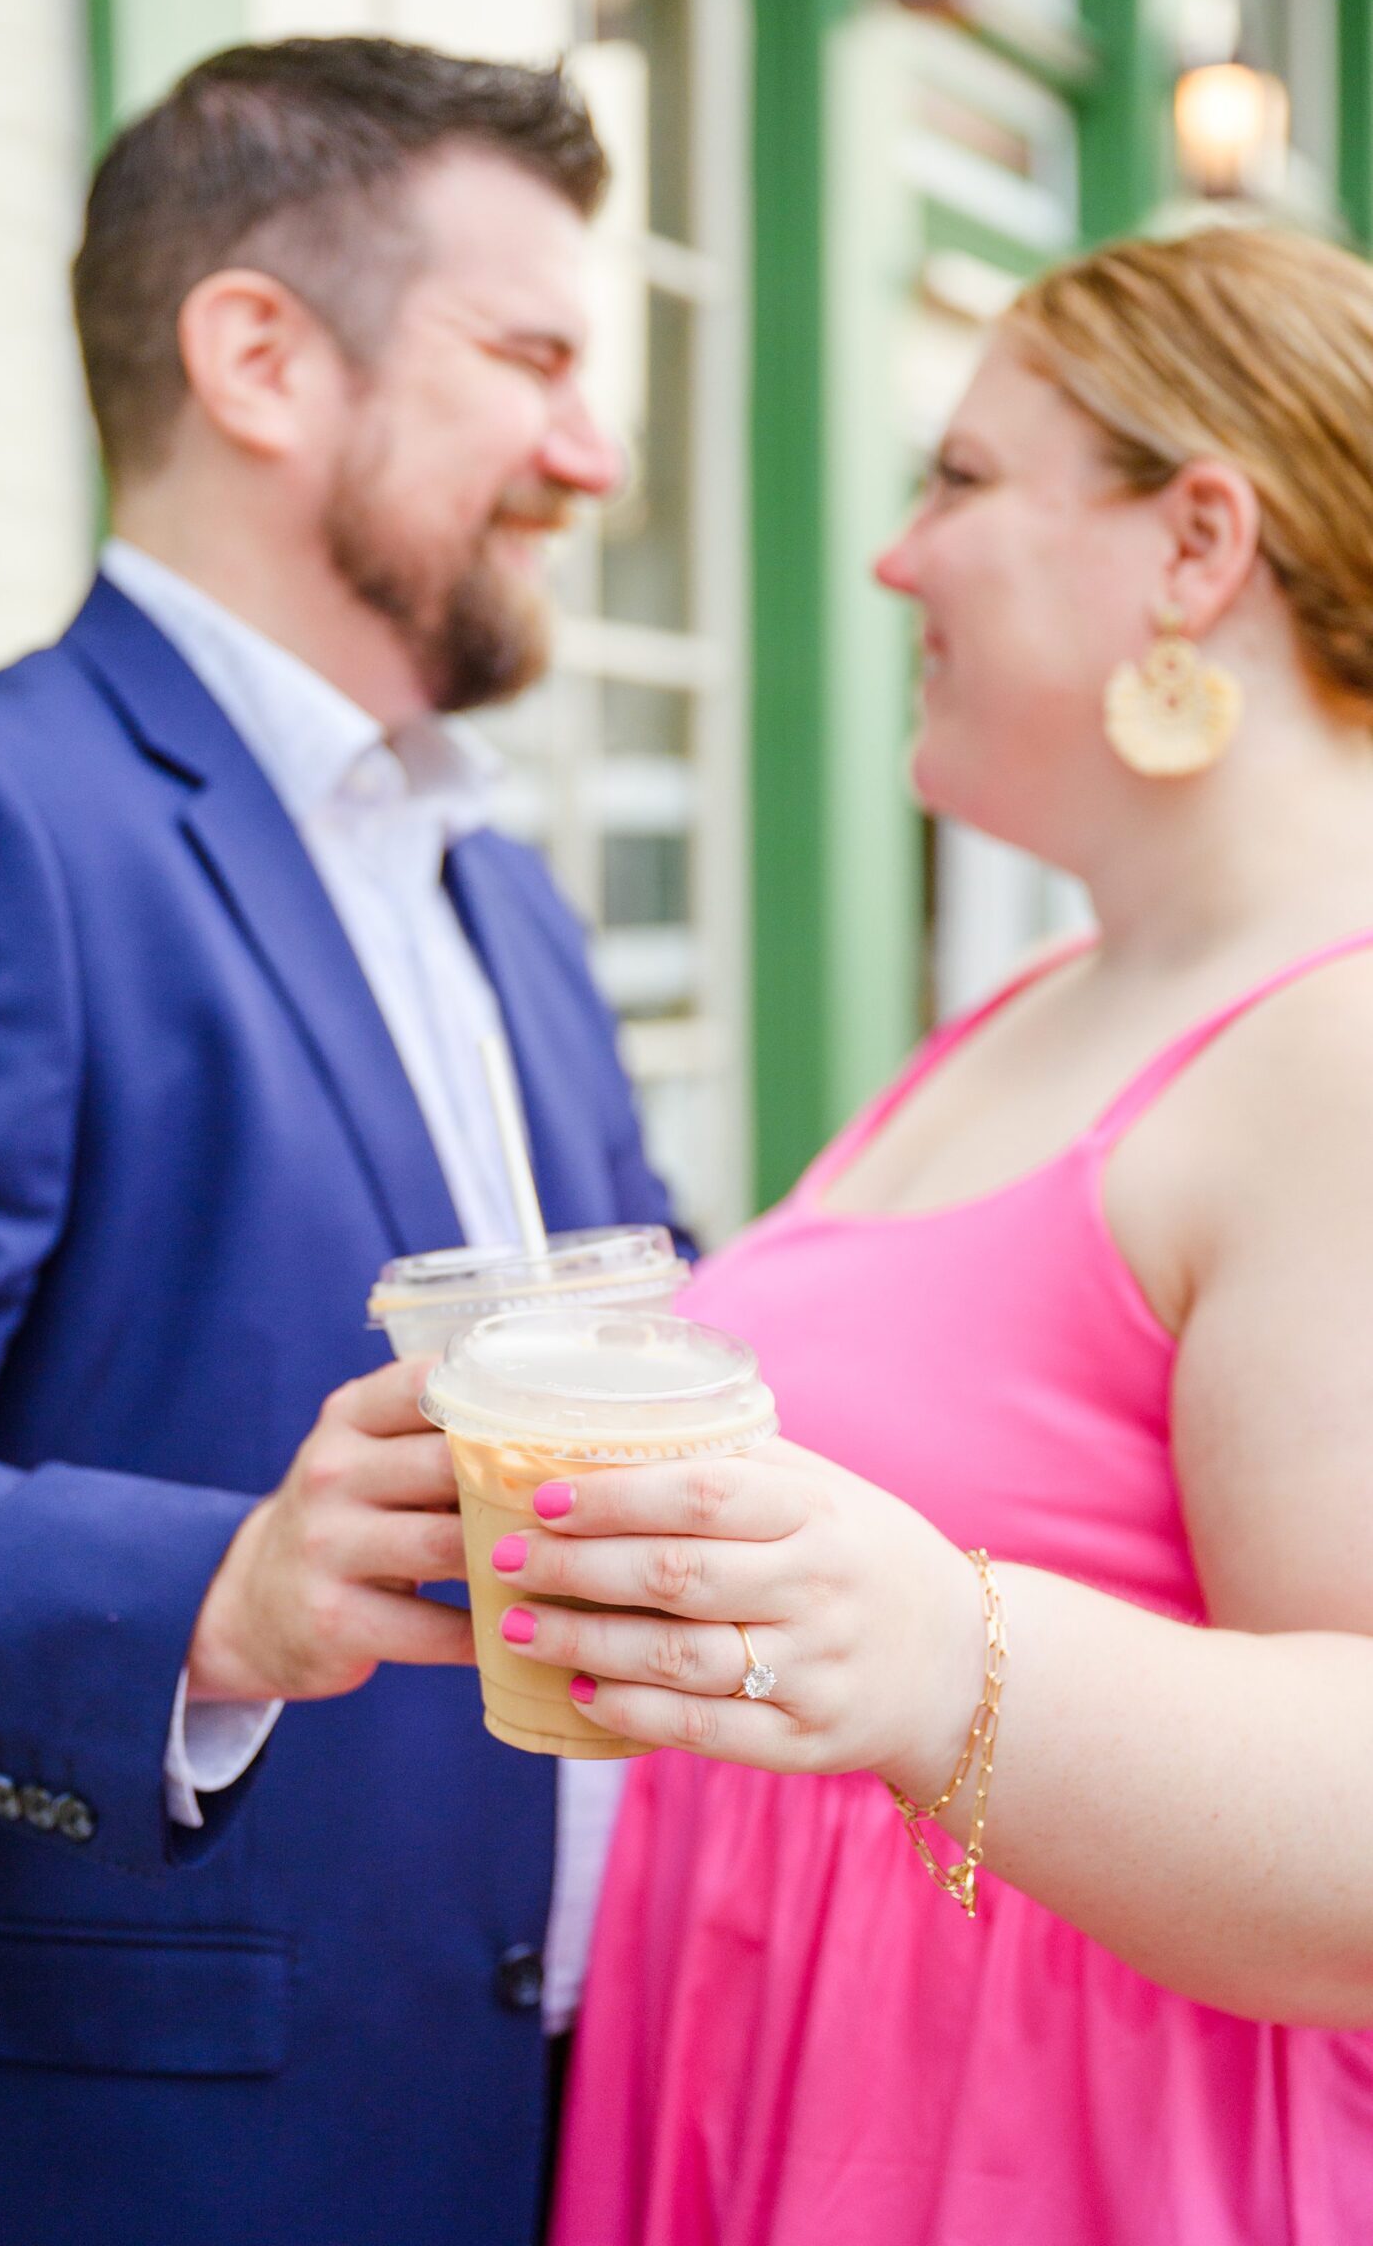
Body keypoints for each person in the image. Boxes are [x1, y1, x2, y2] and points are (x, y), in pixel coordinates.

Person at [0, 36, 681, 2246]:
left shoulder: (499, 878)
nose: (591, 450)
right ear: (257, 356)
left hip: (558, 2138)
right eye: (529, 354)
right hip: (133, 2167)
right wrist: (213, 1593)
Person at [493, 226, 1373, 2244]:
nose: (897, 557)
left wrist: (922, 1647)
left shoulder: (1344, 1048)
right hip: (777, 2085)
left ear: (1197, 543)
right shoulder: (1045, 1000)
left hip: (1070, 2153)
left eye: (962, 481)